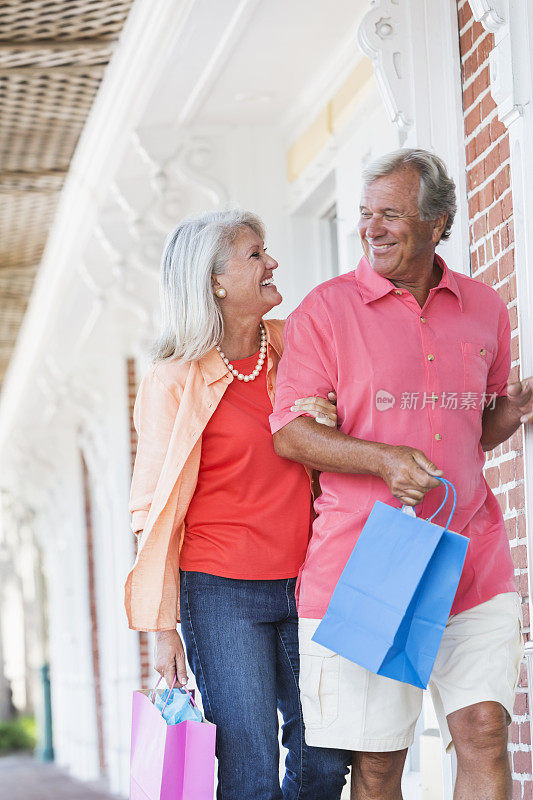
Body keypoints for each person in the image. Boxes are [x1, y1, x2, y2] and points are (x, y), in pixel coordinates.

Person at [271, 148, 533, 800]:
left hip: (472, 557)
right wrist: (382, 459)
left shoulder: (483, 308)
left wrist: (513, 412)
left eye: (391, 214)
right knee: (380, 763)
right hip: (369, 565)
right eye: (365, 214)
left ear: (437, 222)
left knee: (480, 730)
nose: (372, 228)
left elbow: (478, 427)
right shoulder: (325, 313)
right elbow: (290, 432)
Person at [125, 209, 350, 800]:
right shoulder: (173, 379)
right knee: (249, 767)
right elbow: (150, 510)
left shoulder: (290, 349)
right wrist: (164, 628)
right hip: (220, 590)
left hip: (309, 580)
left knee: (326, 753)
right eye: (255, 254)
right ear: (215, 282)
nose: (272, 262)